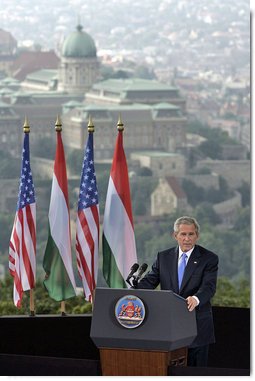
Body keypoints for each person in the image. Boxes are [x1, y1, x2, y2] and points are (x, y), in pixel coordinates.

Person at [135, 216, 219, 367]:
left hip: (197, 326)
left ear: (197, 235)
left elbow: (209, 287)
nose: (187, 239)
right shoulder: (163, 257)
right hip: (169, 328)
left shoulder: (209, 258)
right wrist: (131, 293)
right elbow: (149, 282)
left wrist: (196, 298)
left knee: (196, 373)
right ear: (175, 236)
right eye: (183, 234)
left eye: (191, 234)